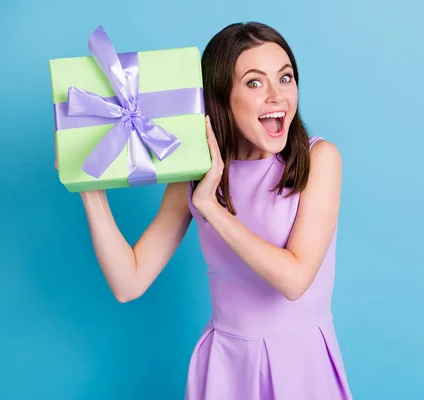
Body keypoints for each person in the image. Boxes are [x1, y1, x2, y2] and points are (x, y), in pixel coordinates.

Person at [75, 22, 352, 400]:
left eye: (285, 78)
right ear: (222, 97)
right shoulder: (194, 172)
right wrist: (89, 190)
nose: (277, 96)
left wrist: (212, 208)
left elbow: (295, 279)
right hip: (225, 370)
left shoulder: (320, 159)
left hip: (301, 369)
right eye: (255, 83)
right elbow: (129, 282)